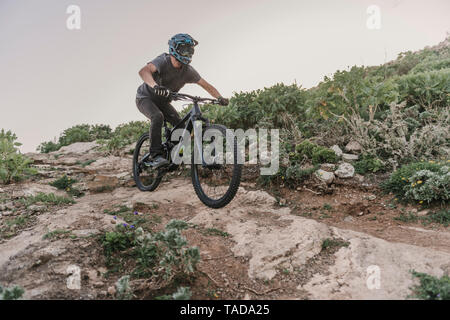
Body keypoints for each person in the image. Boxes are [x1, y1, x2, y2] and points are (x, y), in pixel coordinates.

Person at [136, 33, 229, 168]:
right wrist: (155, 86)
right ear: (175, 49)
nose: (188, 53)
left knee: (181, 128)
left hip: (163, 102)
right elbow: (143, 71)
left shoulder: (188, 71)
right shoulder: (163, 61)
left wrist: (219, 98)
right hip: (145, 97)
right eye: (184, 49)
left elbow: (206, 85)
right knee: (157, 116)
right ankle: (155, 155)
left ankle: (171, 154)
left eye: (190, 50)